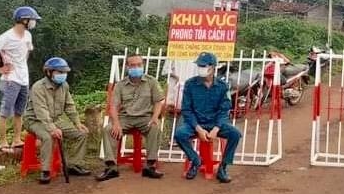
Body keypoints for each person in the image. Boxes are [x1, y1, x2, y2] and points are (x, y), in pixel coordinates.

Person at [0, 6, 41, 152]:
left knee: (19, 111)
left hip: (23, 79)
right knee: (5, 112)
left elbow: (27, 52)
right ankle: (3, 142)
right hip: (10, 80)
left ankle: (16, 139)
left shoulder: (28, 35)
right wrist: (0, 69)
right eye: (32, 20)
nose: (34, 22)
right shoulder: (6, 37)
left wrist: (21, 66)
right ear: (24, 20)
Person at [174, 52, 241, 182]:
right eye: (199, 65)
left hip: (214, 123)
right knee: (179, 134)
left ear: (213, 67)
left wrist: (216, 128)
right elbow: (187, 110)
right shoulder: (190, 84)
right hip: (195, 123)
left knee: (235, 134)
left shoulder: (222, 86)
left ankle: (223, 167)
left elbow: (224, 109)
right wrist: (198, 129)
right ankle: (195, 160)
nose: (201, 68)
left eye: (204, 65)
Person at [97, 55, 165, 181]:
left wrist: (155, 117)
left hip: (145, 117)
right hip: (125, 118)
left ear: (143, 66)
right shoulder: (120, 85)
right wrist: (116, 123)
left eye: (139, 65)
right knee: (108, 129)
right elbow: (113, 105)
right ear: (127, 67)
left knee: (155, 128)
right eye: (133, 65)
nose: (136, 68)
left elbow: (158, 102)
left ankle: (150, 166)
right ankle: (111, 167)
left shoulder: (151, 82)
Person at [23, 57, 90, 184]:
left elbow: (69, 106)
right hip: (35, 120)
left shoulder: (64, 85)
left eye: (64, 73)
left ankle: (74, 165)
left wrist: (77, 123)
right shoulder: (38, 87)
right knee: (48, 136)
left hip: (55, 119)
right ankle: (45, 171)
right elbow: (41, 111)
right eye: (59, 72)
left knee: (82, 133)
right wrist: (52, 129)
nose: (62, 75)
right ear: (49, 72)